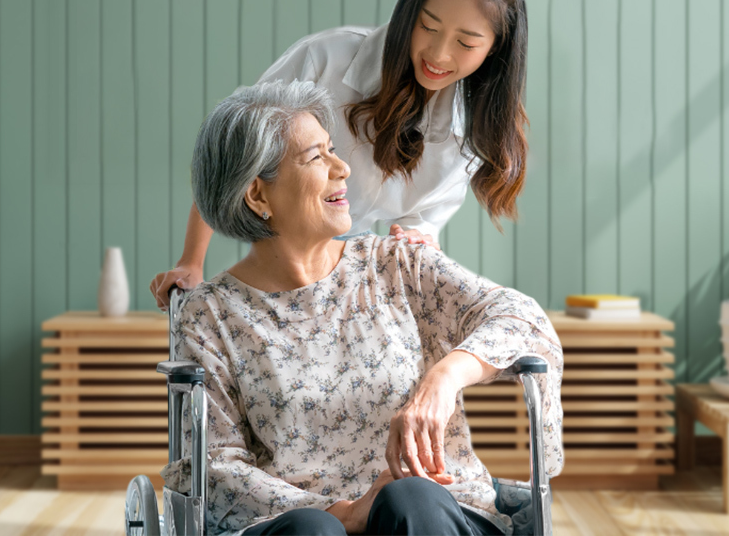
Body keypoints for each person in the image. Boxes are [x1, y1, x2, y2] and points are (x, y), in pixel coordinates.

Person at [159, 81, 562, 536]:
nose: (343, 168)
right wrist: (345, 512)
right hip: (300, 523)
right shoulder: (211, 316)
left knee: (411, 498)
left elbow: (525, 320)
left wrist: (444, 378)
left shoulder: (396, 265)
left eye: (333, 150)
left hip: (434, 514)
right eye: (316, 157)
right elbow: (213, 468)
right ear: (258, 195)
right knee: (311, 531)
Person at [151, 0, 530, 310]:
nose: (439, 53)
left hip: (356, 283)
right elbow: (233, 148)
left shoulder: (471, 131)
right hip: (283, 260)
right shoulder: (327, 59)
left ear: (495, 46)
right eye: (427, 26)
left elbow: (423, 220)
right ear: (409, 10)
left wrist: (419, 238)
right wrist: (191, 261)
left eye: (466, 43)